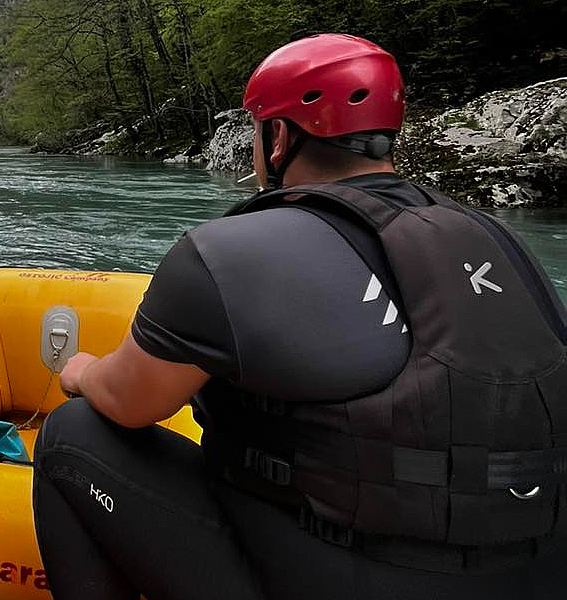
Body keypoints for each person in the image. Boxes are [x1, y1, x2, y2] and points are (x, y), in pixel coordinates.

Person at [31, 34, 567, 600]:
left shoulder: (228, 252)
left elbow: (126, 402)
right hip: (539, 572)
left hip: (338, 573)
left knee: (71, 433)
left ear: (279, 136)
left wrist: (80, 370)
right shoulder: (496, 239)